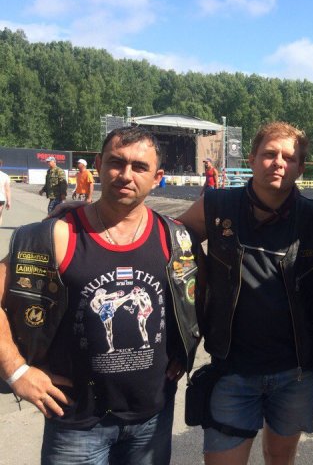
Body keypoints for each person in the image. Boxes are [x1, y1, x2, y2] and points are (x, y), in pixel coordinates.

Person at [0, 127, 200, 464]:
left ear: (157, 178)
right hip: (75, 425)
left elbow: (197, 297)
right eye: (116, 162)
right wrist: (17, 372)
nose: (126, 175)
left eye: (140, 167)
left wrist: (184, 348)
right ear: (98, 165)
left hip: (152, 420)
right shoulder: (59, 235)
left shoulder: (175, 239)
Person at [177, 122, 313, 465]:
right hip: (232, 370)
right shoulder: (217, 206)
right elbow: (168, 239)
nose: (278, 163)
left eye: (289, 157)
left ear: (300, 168)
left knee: (280, 460)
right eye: (269, 154)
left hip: (295, 373)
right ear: (252, 159)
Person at [0, 159, 10, 226]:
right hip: (1, 198)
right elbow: (7, 190)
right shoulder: (5, 176)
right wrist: (9, 201)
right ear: (1, 165)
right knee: (0, 215)